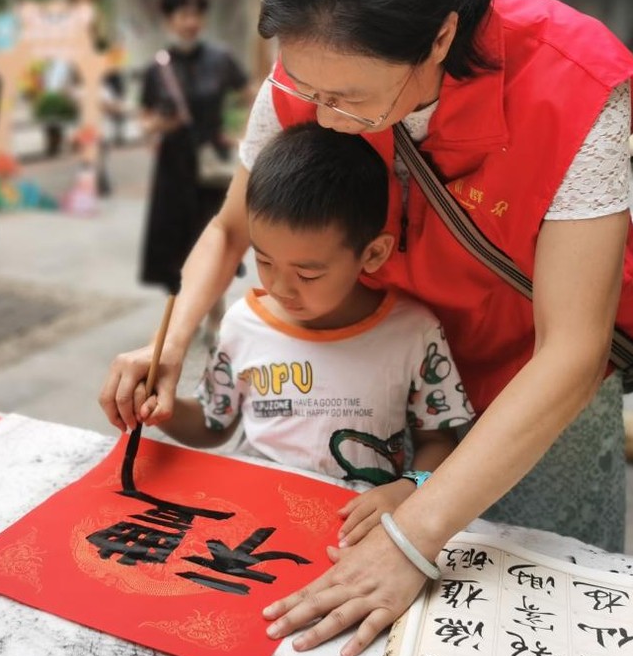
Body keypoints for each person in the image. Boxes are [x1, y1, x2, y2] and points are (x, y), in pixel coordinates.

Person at [99, 0, 633, 656]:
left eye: (350, 99)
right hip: (390, 367)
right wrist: (166, 351)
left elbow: (572, 349)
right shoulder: (308, 69)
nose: (324, 116)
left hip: (536, 388)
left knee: (536, 623)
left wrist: (417, 537)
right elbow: (233, 224)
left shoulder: (572, 81)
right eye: (304, 87)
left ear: (439, 39)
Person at [112, 123, 473, 542]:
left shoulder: (414, 333)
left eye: (307, 273)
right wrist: (160, 405)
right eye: (264, 262)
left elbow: (440, 439)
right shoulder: (243, 323)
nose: (281, 289)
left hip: (351, 531)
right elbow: (214, 425)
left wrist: (409, 488)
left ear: (372, 253)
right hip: (246, 520)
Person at [139, 0, 248, 330]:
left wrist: (242, 135)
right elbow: (145, 122)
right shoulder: (158, 68)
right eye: (183, 14)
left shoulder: (220, 59)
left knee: (214, 237)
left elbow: (252, 93)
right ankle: (184, 316)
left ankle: (215, 315)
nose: (191, 21)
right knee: (175, 241)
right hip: (173, 168)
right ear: (169, 19)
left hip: (210, 166)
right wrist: (161, 122)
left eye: (196, 13)